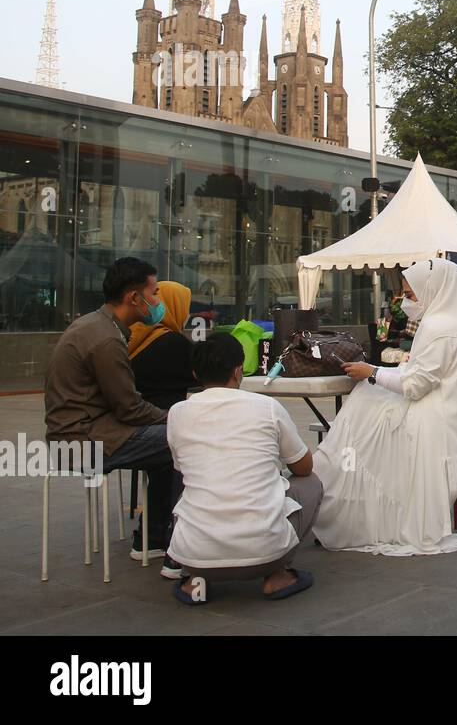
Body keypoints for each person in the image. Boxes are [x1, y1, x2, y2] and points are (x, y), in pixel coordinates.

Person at [319, 259, 457, 553]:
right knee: (366, 403)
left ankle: (334, 496)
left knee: (359, 410)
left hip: (433, 418)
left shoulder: (437, 327)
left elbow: (415, 386)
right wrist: (376, 373)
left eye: (411, 294)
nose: (407, 301)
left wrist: (371, 373)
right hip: (456, 415)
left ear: (433, 290)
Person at [44, 257, 182, 578]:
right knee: (181, 441)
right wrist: (176, 418)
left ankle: (154, 535)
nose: (159, 300)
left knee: (169, 446)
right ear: (134, 298)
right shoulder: (106, 338)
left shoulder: (97, 325)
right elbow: (130, 409)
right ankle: (176, 544)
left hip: (77, 433)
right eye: (155, 292)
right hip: (83, 441)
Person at [167, 334, 321, 604]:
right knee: (310, 483)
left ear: (195, 373)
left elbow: (181, 469)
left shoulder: (177, 413)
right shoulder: (267, 407)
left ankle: (196, 581)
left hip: (195, 555)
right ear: (238, 371)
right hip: (264, 552)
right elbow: (304, 466)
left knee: (189, 491)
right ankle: (277, 575)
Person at [128, 281, 195, 411]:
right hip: (159, 418)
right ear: (176, 306)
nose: (187, 314)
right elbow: (208, 373)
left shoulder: (135, 332)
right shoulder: (173, 343)